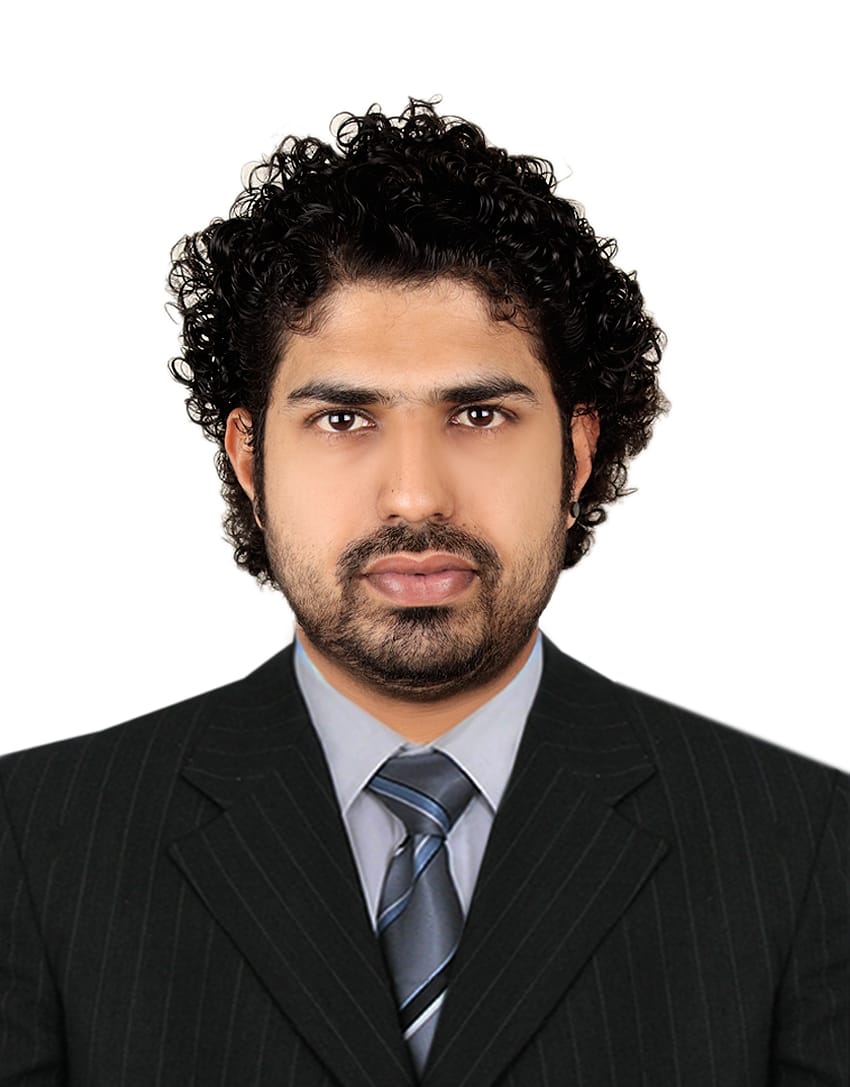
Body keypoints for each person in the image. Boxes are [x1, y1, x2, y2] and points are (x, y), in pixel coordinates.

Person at [0, 101, 846, 1086]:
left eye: (478, 413)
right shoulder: (37, 843)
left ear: (576, 453)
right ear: (250, 459)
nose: (414, 494)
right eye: (344, 418)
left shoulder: (802, 848)